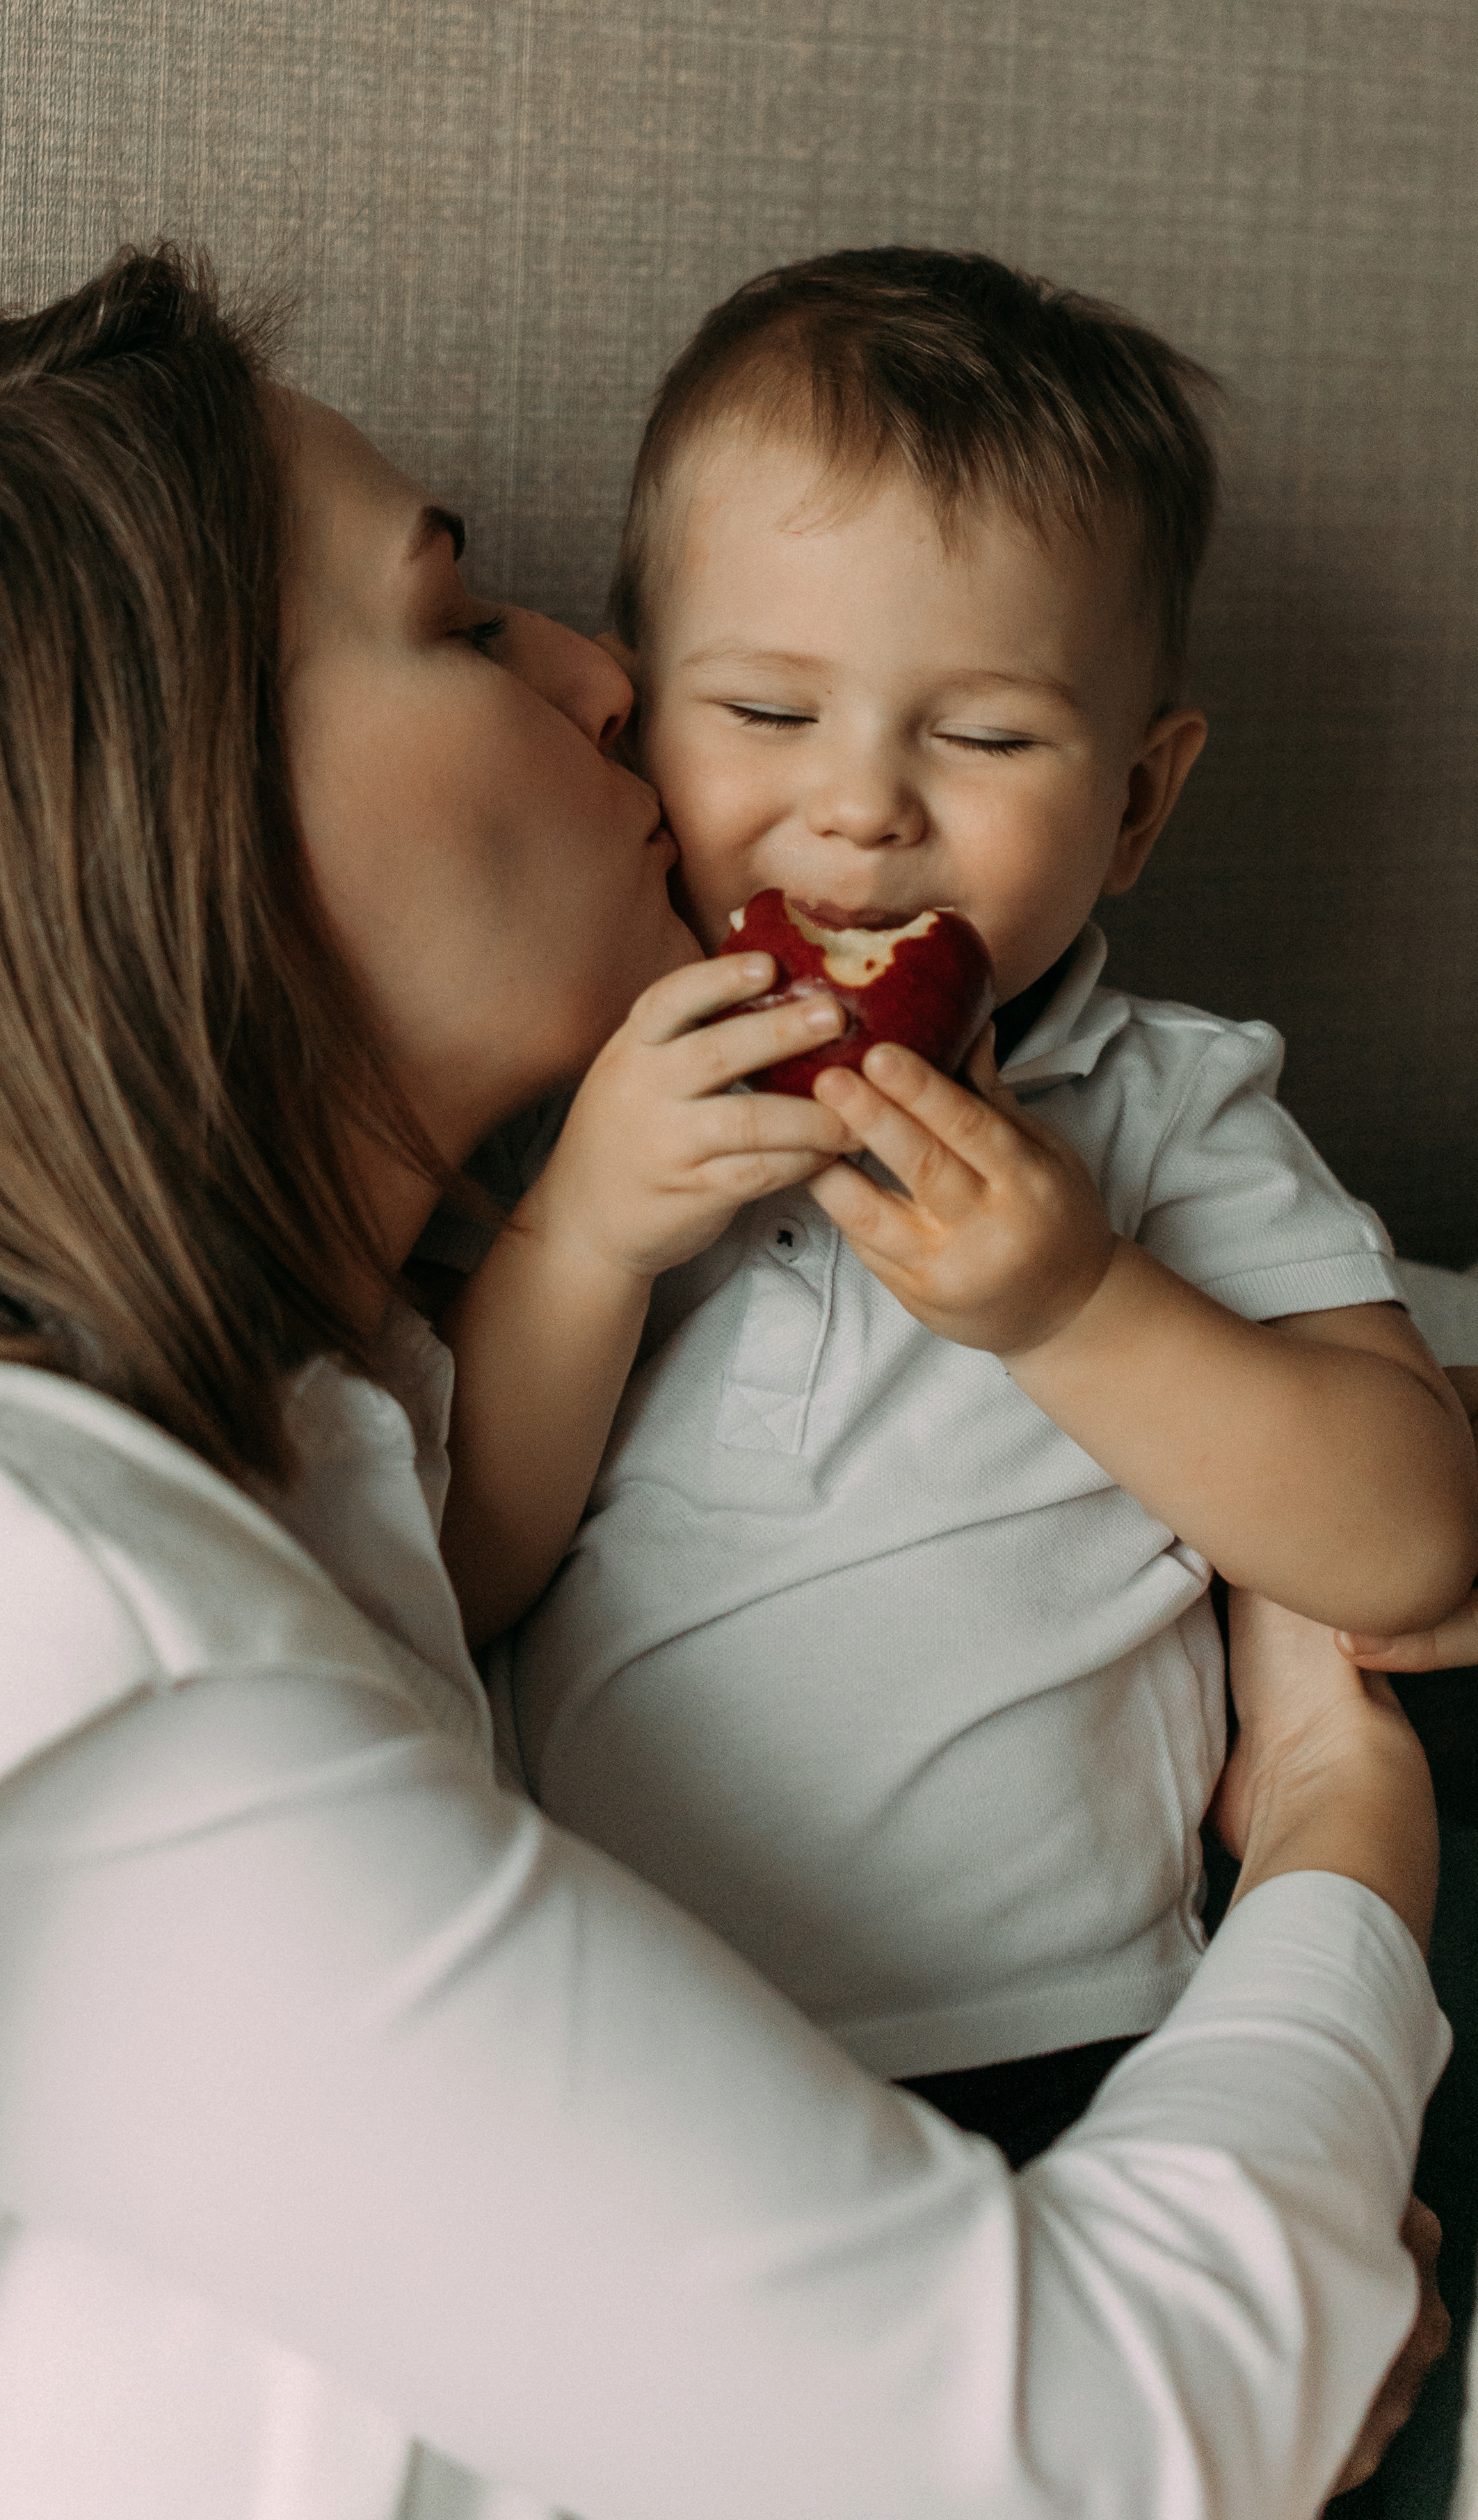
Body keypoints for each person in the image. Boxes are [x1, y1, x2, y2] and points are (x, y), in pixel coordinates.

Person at [0, 245, 1451, 2520]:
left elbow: (1384, 1464)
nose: (602, 677)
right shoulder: (26, 1608)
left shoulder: (294, 1449)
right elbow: (1095, 2440)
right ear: (169, 819)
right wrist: (1349, 1858)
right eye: (466, 622)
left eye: (976, 733)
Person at [436, 247, 1478, 2160]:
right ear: (642, 719)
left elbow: (1407, 1540)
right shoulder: (581, 1087)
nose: (862, 809)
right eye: (765, 713)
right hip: (607, 2034)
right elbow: (446, 1572)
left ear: (1142, 806)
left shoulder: (1164, 1108)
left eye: (984, 738)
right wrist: (581, 1241)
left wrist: (1079, 1308)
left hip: (1074, 2045)